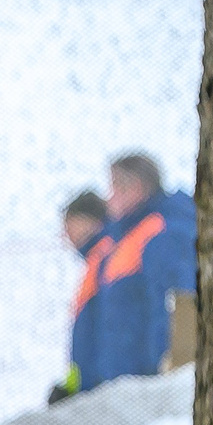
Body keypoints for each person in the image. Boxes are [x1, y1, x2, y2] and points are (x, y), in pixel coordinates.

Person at [77, 151, 198, 395]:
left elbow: (175, 306)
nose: (108, 199)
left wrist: (165, 375)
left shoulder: (161, 233)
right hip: (122, 386)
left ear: (135, 189)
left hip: (148, 387)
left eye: (113, 187)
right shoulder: (124, 239)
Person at [50, 189, 112, 405]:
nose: (66, 236)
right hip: (95, 389)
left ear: (90, 223)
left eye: (70, 226)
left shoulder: (105, 259)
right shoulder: (97, 261)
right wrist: (71, 387)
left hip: (103, 390)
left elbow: (102, 335)